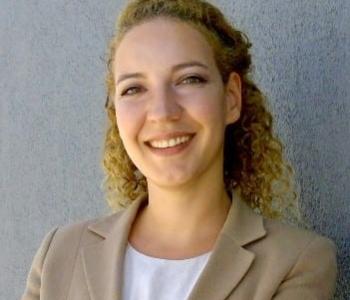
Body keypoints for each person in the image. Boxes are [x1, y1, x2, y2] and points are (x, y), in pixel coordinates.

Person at [22, 0, 338, 299]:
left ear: (231, 99)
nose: (162, 111)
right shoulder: (59, 254)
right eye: (134, 88)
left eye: (189, 80)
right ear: (115, 111)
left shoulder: (296, 261)